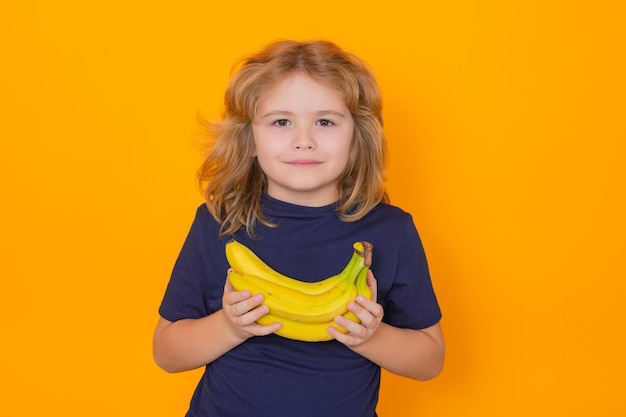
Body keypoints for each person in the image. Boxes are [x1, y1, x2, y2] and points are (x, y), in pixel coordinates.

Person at [153, 39, 445, 417]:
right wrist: (230, 325)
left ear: (357, 137)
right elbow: (166, 353)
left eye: (325, 121)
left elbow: (431, 360)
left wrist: (372, 336)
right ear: (251, 139)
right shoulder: (218, 224)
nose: (303, 141)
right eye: (281, 122)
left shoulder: (391, 231)